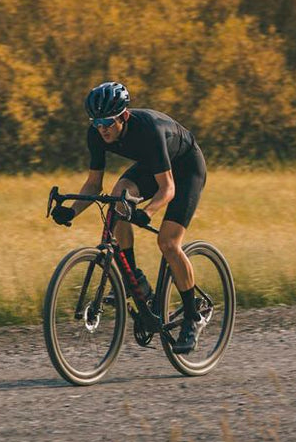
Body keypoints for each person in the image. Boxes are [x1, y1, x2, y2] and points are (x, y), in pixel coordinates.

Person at [52, 81, 208, 354]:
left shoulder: (149, 129)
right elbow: (93, 184)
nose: (102, 128)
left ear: (123, 116)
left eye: (108, 122)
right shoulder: (96, 134)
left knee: (168, 242)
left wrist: (147, 213)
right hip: (153, 166)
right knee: (118, 201)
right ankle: (134, 280)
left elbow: (167, 188)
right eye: (96, 122)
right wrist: (71, 211)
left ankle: (192, 318)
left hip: (185, 170)